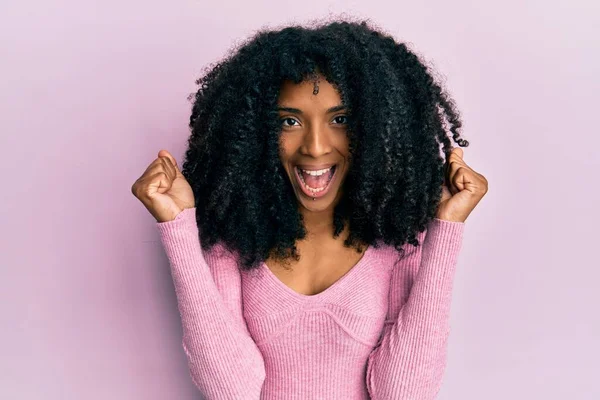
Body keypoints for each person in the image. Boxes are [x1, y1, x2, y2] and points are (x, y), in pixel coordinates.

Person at [131, 19, 488, 400]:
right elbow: (232, 391)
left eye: (340, 119)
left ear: (374, 125)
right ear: (255, 133)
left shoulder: (399, 240)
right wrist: (178, 227)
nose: (315, 146)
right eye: (289, 121)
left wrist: (446, 228)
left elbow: (404, 394)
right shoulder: (233, 240)